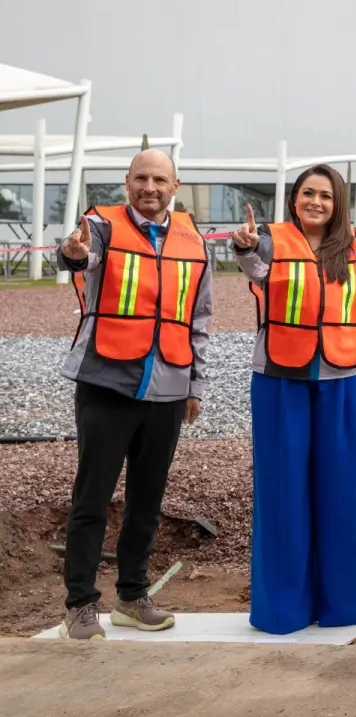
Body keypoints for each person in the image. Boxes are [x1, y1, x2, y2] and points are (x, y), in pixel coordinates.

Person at [56, 149, 212, 640]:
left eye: (159, 179)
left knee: (147, 499)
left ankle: (131, 595)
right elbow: (79, 254)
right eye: (141, 178)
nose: (150, 186)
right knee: (92, 499)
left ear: (175, 186)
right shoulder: (100, 226)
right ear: (126, 183)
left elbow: (199, 320)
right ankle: (79, 604)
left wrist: (194, 385)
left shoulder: (194, 242)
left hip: (167, 387)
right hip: (107, 381)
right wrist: (74, 254)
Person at [229, 163, 356, 635]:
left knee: (341, 493)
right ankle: (284, 610)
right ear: (294, 199)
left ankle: (345, 605)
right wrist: (243, 244)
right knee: (283, 492)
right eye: (307, 193)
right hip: (280, 379)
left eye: (325, 195)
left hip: (345, 380)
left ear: (338, 203)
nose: (315, 202)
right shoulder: (271, 243)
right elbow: (253, 269)